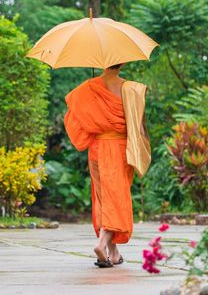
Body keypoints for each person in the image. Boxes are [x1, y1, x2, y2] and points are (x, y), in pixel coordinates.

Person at [64, 63, 150, 268]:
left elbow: (73, 118)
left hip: (97, 148)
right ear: (124, 63)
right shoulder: (132, 88)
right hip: (120, 148)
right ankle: (102, 243)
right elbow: (139, 124)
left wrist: (95, 114)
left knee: (104, 197)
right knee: (117, 197)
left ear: (101, 64)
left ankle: (113, 253)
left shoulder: (88, 87)